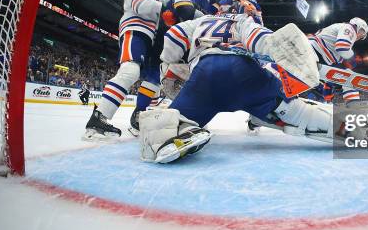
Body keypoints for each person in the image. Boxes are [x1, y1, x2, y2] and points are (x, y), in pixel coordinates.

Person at [138, 13, 325, 164]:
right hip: (247, 74)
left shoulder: (201, 21)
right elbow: (260, 39)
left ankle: (186, 130)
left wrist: (170, 61)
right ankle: (350, 127)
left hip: (206, 77)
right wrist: (290, 57)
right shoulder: (242, 19)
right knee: (298, 113)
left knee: (164, 131)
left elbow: (173, 36)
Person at [83, 0, 169, 140]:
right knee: (130, 71)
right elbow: (142, 7)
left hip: (148, 37)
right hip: (135, 30)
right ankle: (98, 119)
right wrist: (166, 7)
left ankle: (139, 116)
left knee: (154, 78)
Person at [128, 0, 197, 136]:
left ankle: (184, 117)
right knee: (154, 78)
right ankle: (139, 113)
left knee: (169, 79)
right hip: (163, 41)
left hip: (179, 43)